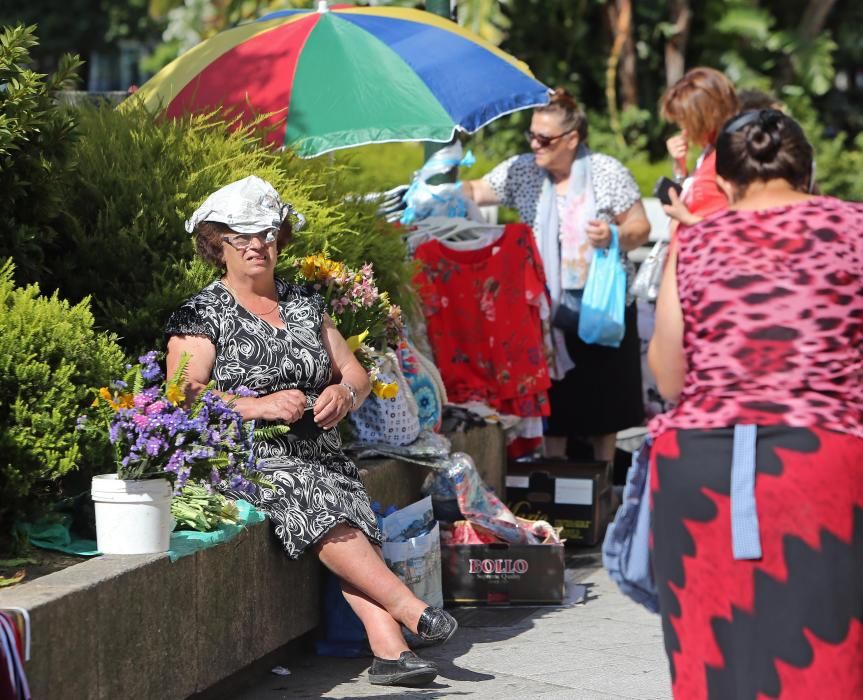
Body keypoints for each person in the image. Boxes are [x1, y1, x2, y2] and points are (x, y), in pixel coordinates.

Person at [164, 176, 457, 687]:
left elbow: (357, 374)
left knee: (345, 499)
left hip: (319, 451)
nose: (258, 245)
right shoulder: (202, 313)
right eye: (242, 237)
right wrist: (255, 406)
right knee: (317, 496)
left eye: (267, 234)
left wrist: (345, 394)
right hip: (244, 456)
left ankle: (390, 654)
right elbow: (181, 393)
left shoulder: (304, 303)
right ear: (218, 246)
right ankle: (408, 611)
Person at [647, 110, 863, 698]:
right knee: (827, 660)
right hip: (821, 458)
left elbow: (668, 375)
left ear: (728, 181)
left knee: (715, 667)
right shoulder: (854, 227)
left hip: (700, 469)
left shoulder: (695, 240)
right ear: (808, 171)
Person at [462, 88, 650, 462]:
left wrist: (614, 234)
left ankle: (601, 489)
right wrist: (437, 190)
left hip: (601, 309)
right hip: (545, 310)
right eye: (531, 135)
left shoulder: (606, 172)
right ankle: (554, 485)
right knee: (555, 405)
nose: (535, 144)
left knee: (604, 405)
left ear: (572, 139)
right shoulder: (524, 171)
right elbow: (477, 190)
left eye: (543, 138)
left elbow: (640, 228)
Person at [660, 67, 739, 229]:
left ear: (706, 116)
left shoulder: (733, 156)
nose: (683, 128)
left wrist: (687, 219)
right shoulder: (709, 152)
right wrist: (680, 167)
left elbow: (739, 229)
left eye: (685, 119)